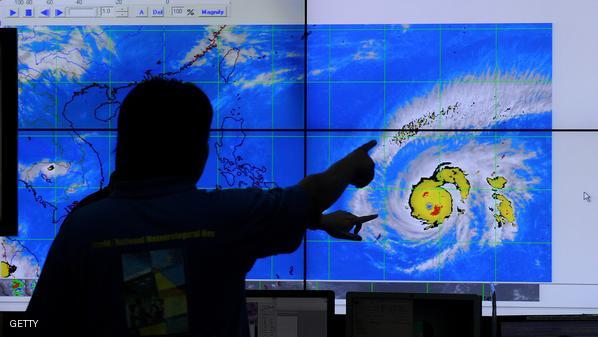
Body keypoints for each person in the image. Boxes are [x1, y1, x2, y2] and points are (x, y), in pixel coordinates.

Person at [25, 78, 378, 337]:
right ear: (197, 152)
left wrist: (316, 221)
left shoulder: (84, 227)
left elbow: (37, 324)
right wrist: (351, 166)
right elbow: (308, 195)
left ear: (125, 144)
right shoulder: (224, 218)